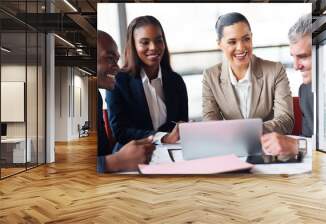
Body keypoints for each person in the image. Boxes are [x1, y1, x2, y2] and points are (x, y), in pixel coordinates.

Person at [106, 16, 188, 152]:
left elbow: (181, 125)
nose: (153, 47)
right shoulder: (118, 81)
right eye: (145, 42)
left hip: (171, 151)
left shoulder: (176, 81)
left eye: (158, 41)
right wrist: (162, 138)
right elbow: (120, 132)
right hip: (131, 154)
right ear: (133, 45)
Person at [202, 12, 294, 134]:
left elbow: (286, 120)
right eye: (232, 42)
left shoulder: (275, 70)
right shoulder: (210, 76)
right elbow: (210, 120)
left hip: (266, 145)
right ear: (220, 44)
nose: (241, 47)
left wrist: (249, 131)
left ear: (251, 37)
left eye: (246, 39)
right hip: (231, 146)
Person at [97, 30, 154, 173]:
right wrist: (115, 161)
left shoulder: (95, 97)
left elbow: (102, 153)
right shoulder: (119, 83)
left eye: (117, 59)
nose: (116, 67)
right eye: (110, 58)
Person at [261, 14, 312, 157]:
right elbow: (309, 142)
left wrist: (296, 145)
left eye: (303, 56)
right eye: (293, 57)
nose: (296, 66)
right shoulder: (305, 91)